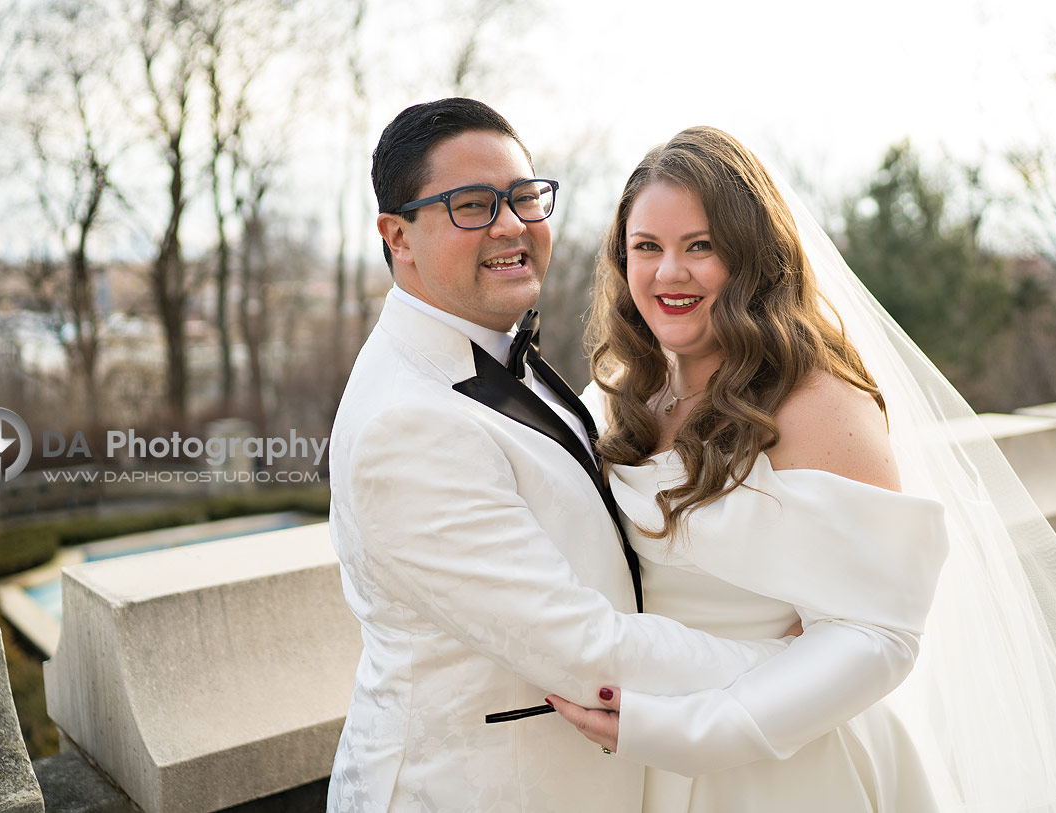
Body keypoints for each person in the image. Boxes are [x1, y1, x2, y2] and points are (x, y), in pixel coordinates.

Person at [549, 126, 1056, 812]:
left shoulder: (818, 400)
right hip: (637, 760)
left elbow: (879, 632)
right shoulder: (617, 391)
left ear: (752, 257)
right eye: (648, 247)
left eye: (702, 246)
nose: (670, 272)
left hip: (787, 763)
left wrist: (697, 730)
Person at [326, 100, 792, 813]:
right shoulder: (408, 423)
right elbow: (583, 647)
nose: (511, 225)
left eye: (522, 197)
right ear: (399, 237)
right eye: (472, 205)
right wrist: (777, 663)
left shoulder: (490, 343)